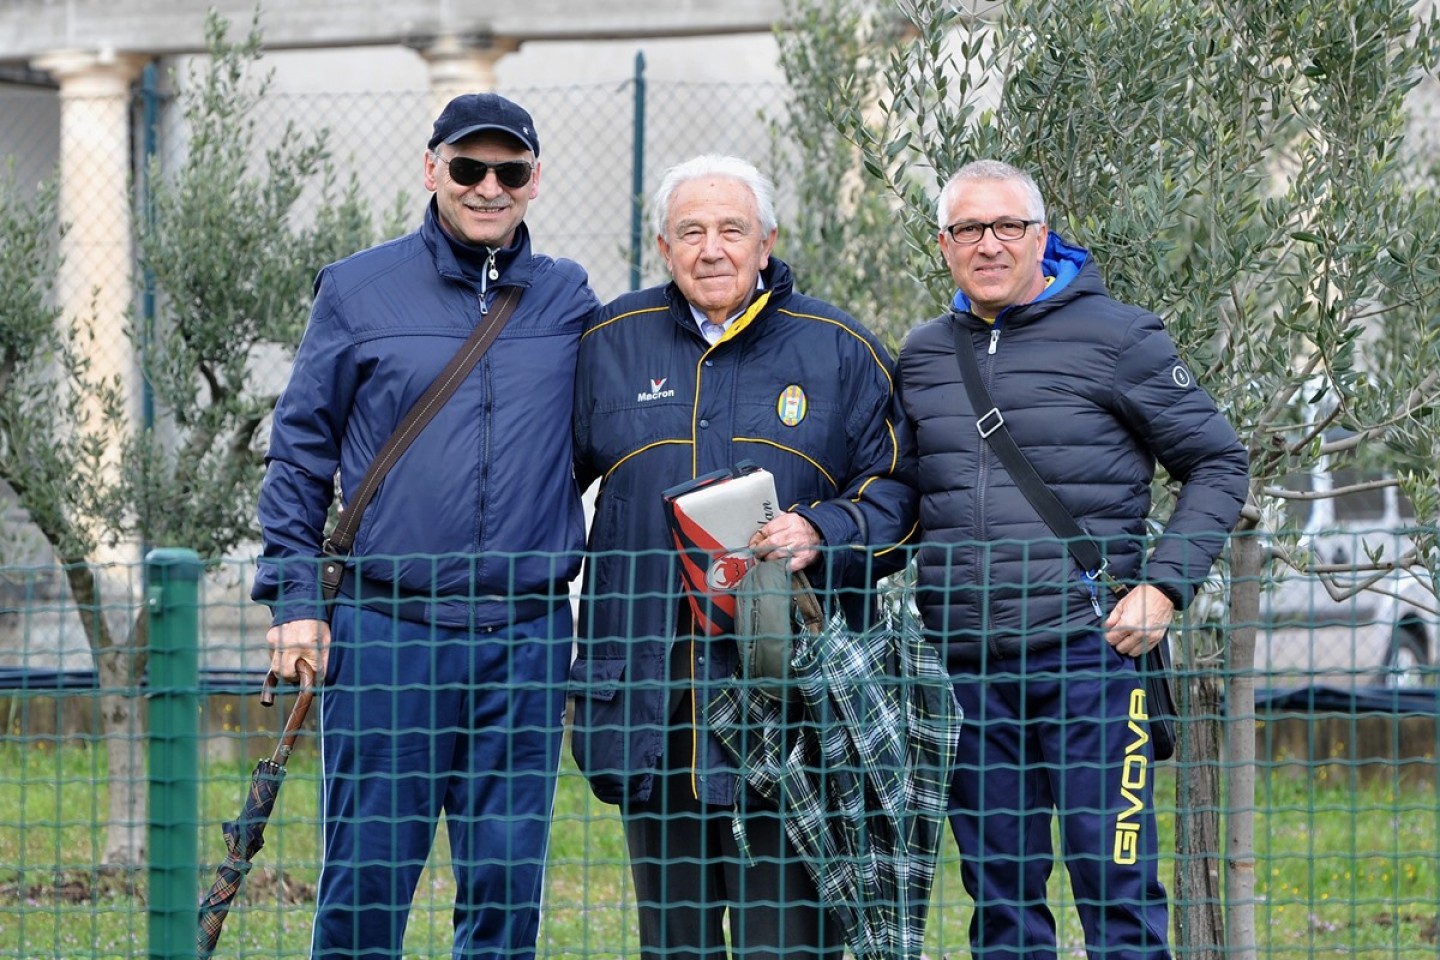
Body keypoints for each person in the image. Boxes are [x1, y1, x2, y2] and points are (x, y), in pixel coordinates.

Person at [251, 92, 598, 959]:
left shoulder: (568, 299)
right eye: (468, 167)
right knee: (367, 882)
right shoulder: (357, 288)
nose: (488, 187)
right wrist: (295, 599)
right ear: (431, 168)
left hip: (523, 638)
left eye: (508, 171)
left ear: (534, 181)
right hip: (386, 632)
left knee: (506, 891)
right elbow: (299, 454)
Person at [897, 160, 1249, 960]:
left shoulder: (1121, 337)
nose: (988, 244)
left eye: (1007, 227)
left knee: (1117, 894)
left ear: (1041, 236)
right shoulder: (922, 356)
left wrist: (1165, 585)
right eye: (967, 229)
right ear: (944, 244)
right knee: (1001, 903)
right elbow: (901, 492)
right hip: (967, 669)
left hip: (1091, 657)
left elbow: (1221, 463)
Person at [569, 154, 917, 960]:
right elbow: (540, 486)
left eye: (732, 229)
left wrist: (824, 530)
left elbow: (902, 495)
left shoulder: (838, 349)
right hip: (652, 706)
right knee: (673, 945)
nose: (712, 249)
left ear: (768, 242)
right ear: (662, 245)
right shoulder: (609, 345)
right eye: (691, 231)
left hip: (791, 712)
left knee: (787, 946)